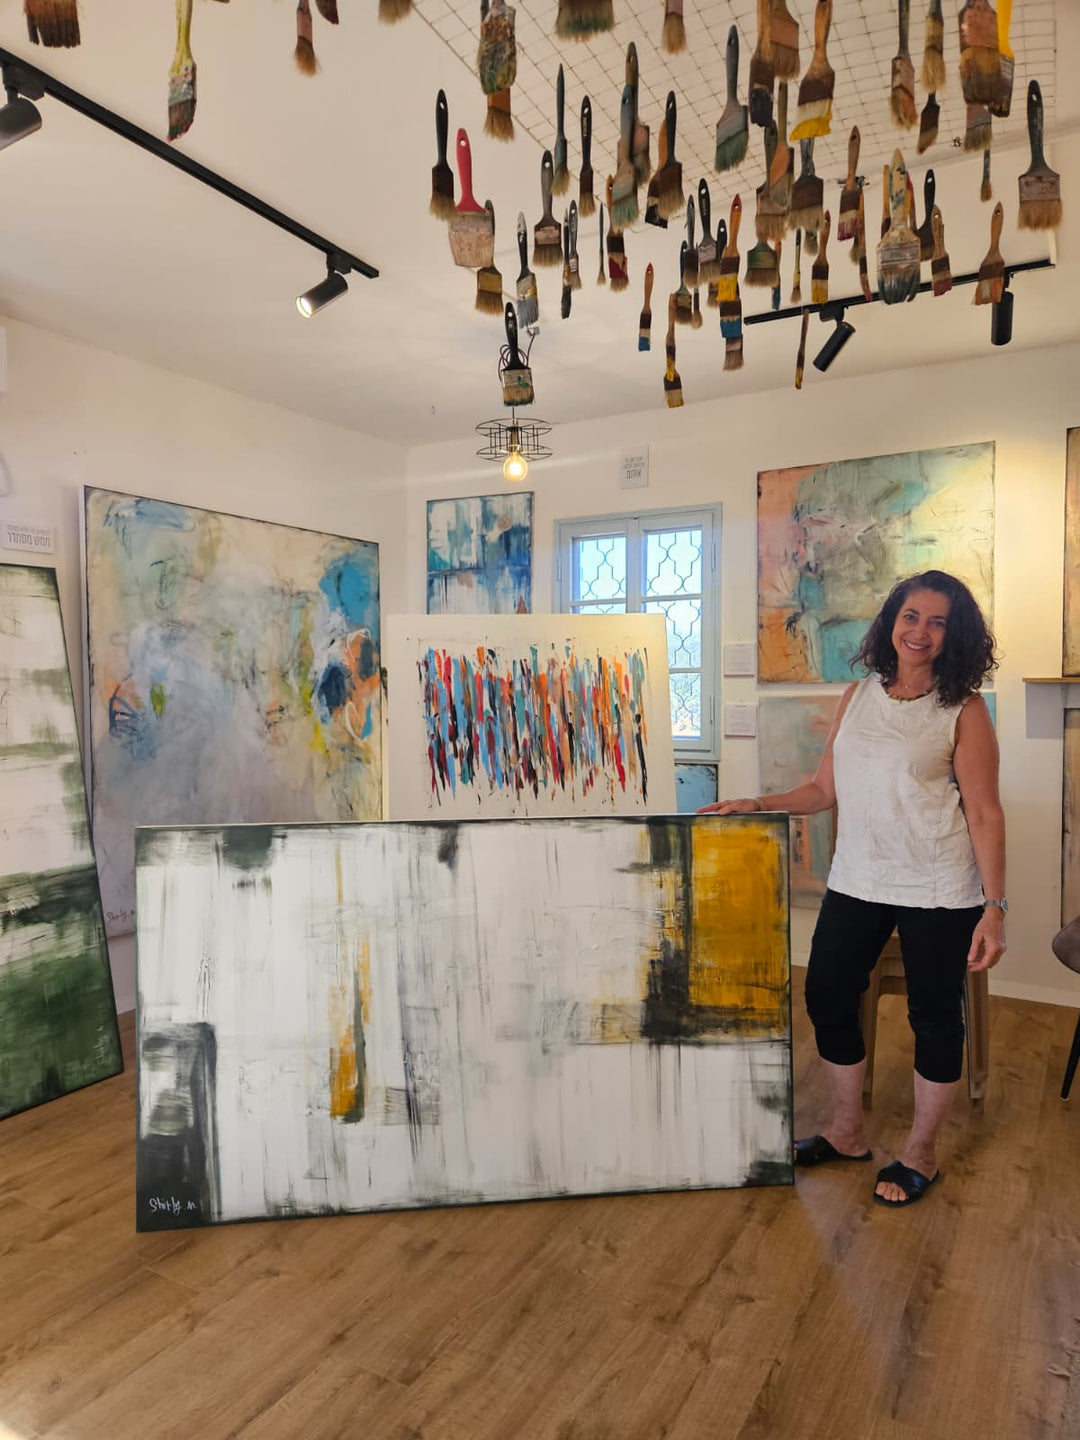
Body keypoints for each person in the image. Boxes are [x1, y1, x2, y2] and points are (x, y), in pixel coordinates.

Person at [702, 570, 1006, 1208]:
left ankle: (921, 1153)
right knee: (827, 992)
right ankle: (846, 1134)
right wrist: (758, 802)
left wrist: (994, 908)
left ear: (955, 635)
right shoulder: (857, 696)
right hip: (859, 877)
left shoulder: (964, 709)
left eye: (938, 622)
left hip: (938, 885)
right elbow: (823, 790)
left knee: (933, 1017)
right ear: (892, 620)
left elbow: (984, 813)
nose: (920, 631)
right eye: (911, 616)